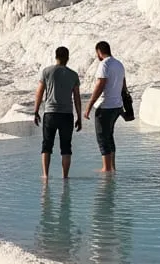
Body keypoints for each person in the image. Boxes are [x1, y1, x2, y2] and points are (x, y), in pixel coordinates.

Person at [34, 46, 82, 180]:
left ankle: (45, 176)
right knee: (66, 146)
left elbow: (39, 92)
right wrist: (79, 116)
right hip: (67, 115)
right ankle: (65, 177)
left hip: (50, 113)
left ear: (56, 57)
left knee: (46, 145)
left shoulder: (46, 72)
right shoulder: (73, 75)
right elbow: (77, 97)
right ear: (67, 58)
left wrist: (36, 111)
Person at [83, 40, 127, 172]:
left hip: (105, 106)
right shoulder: (119, 64)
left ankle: (106, 168)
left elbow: (100, 85)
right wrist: (122, 106)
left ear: (99, 52)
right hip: (116, 106)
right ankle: (112, 167)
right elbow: (123, 85)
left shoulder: (104, 64)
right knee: (109, 136)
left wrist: (89, 106)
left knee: (102, 137)